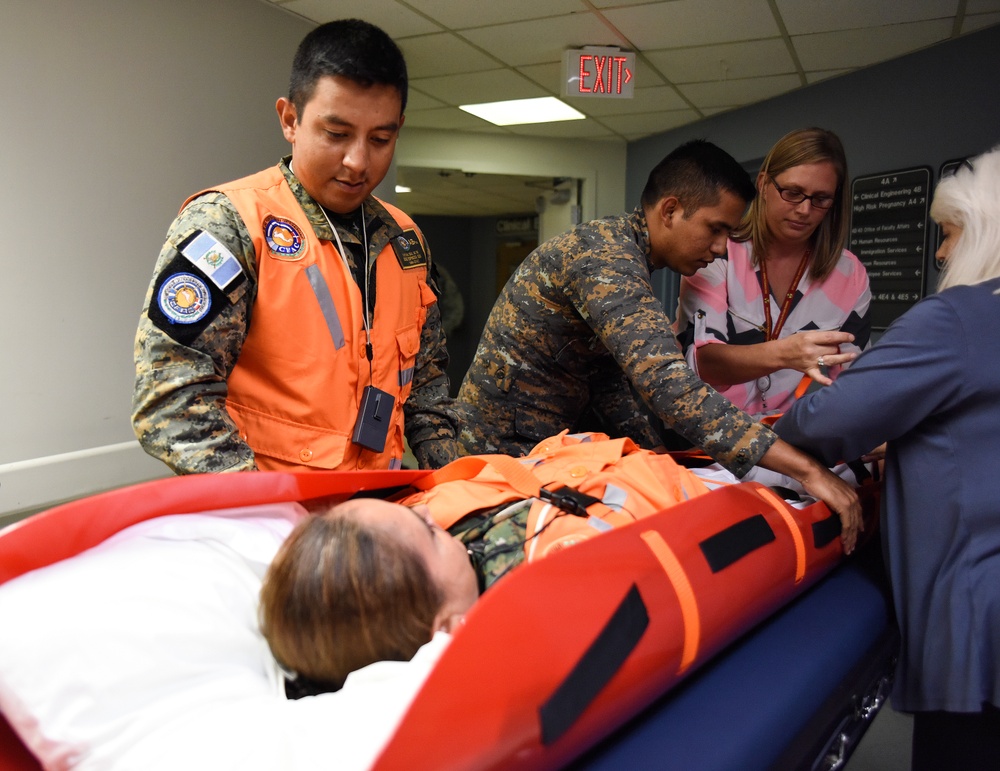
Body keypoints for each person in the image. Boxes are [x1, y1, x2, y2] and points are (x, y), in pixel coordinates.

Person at [260, 429, 863, 694]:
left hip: (637, 459)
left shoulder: (418, 541)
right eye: (429, 533)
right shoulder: (562, 589)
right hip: (723, 495)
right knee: (856, 452)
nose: (431, 518)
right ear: (447, 626)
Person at [456, 140, 860, 525]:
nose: (722, 248)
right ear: (670, 210)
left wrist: (662, 464)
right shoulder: (604, 259)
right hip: (499, 463)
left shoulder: (626, 255)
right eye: (716, 228)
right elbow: (671, 388)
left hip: (536, 452)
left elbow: (612, 385)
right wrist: (808, 471)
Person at [132, 19, 459, 475]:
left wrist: (460, 487)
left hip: (379, 503)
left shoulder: (405, 240)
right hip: (271, 516)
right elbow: (172, 400)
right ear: (290, 120)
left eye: (381, 139)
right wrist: (268, 511)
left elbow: (426, 391)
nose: (358, 161)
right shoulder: (231, 222)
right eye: (337, 134)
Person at [774, 148, 1000, 771]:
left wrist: (793, 417)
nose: (942, 255)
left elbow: (826, 419)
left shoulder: (958, 319)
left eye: (950, 236)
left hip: (981, 621)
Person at [674, 128, 871, 418]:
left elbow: (856, 381)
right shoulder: (717, 252)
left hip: (782, 438)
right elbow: (704, 361)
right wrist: (785, 354)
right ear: (764, 184)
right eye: (793, 193)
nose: (805, 210)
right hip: (704, 433)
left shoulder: (849, 274)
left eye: (820, 199)